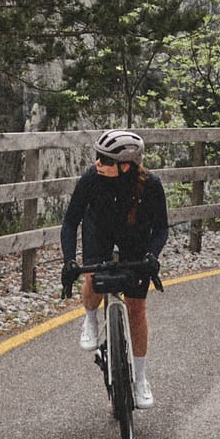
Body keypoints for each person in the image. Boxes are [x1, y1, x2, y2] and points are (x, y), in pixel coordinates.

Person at [60, 128, 168, 409]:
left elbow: (162, 230)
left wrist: (152, 256)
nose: (98, 163)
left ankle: (141, 378)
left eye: (106, 160)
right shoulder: (91, 180)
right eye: (98, 157)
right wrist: (70, 260)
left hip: (135, 240)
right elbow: (70, 223)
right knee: (94, 279)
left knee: (136, 308)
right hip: (100, 233)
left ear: (126, 165)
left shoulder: (151, 186)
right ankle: (91, 319)